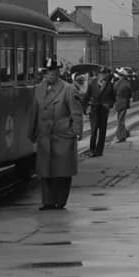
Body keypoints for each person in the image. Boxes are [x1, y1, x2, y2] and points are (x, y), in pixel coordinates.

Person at [29, 57, 83, 210]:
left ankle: (60, 201)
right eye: (45, 73)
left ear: (57, 72)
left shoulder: (68, 89)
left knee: (62, 172)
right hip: (45, 136)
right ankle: (47, 202)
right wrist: (31, 132)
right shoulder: (38, 89)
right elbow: (34, 111)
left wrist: (76, 131)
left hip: (62, 136)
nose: (48, 75)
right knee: (46, 172)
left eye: (51, 72)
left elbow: (76, 112)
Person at [82, 68, 114, 157]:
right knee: (94, 130)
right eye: (101, 73)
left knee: (102, 130)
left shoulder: (110, 85)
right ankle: (92, 149)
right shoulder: (92, 83)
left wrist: (109, 105)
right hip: (94, 109)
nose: (103, 75)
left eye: (105, 73)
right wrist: (84, 108)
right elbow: (86, 96)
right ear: (98, 74)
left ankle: (99, 150)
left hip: (104, 109)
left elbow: (112, 97)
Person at [112, 68, 133, 143]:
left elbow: (113, 93)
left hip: (118, 103)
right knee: (121, 120)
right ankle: (121, 135)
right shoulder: (127, 83)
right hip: (124, 103)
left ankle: (123, 133)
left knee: (120, 119)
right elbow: (130, 94)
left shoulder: (116, 83)